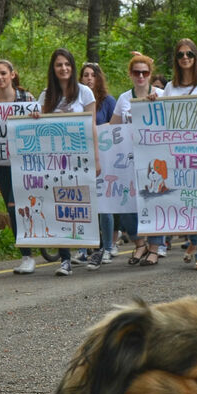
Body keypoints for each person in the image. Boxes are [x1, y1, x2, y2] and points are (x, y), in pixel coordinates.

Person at [38, 48, 97, 278]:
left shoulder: (85, 93)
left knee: (83, 203)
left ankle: (94, 248)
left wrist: (96, 158)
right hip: (55, 161)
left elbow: (92, 126)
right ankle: (65, 259)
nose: (63, 68)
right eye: (58, 65)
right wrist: (35, 117)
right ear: (53, 69)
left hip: (80, 158)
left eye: (67, 64)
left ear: (72, 67)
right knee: (59, 206)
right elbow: (39, 128)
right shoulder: (45, 96)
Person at [163, 38, 197, 270]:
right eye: (180, 55)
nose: (185, 58)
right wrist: (153, 101)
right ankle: (194, 241)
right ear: (176, 60)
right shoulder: (170, 87)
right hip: (178, 155)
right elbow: (162, 118)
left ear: (196, 57)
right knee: (187, 202)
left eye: (189, 54)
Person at [111, 52, 163, 266]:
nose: (141, 76)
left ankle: (155, 247)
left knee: (155, 201)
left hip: (155, 159)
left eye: (145, 72)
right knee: (127, 203)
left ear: (150, 74)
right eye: (136, 72)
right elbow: (113, 127)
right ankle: (139, 244)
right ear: (130, 74)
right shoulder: (124, 98)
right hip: (129, 158)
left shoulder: (161, 94)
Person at [0, 58, 37, 274]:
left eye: (3, 73)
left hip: (27, 163)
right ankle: (26, 254)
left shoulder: (27, 98)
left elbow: (39, 124)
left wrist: (36, 116)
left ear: (12, 74)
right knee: (13, 209)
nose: (0, 77)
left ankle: (30, 252)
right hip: (4, 164)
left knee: (16, 205)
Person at [80, 62, 117, 270]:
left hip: (103, 157)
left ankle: (108, 246)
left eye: (93, 75)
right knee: (84, 203)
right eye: (85, 75)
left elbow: (117, 126)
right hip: (81, 157)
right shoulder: (78, 100)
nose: (89, 78)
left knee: (104, 205)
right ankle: (83, 248)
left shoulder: (108, 101)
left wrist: (100, 128)